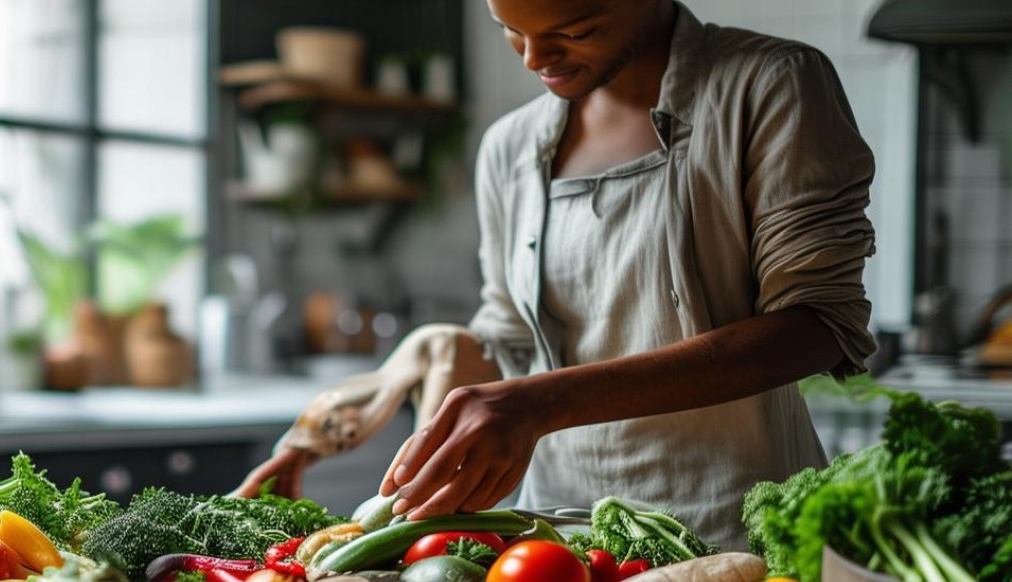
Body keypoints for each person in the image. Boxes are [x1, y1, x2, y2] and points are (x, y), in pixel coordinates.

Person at [236, 0, 876, 552]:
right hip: (558, 548)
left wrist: (540, 404)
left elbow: (816, 325)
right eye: (510, 30)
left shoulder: (770, 86)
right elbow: (508, 342)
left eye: (575, 30)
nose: (534, 59)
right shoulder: (510, 148)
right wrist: (328, 425)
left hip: (736, 540)